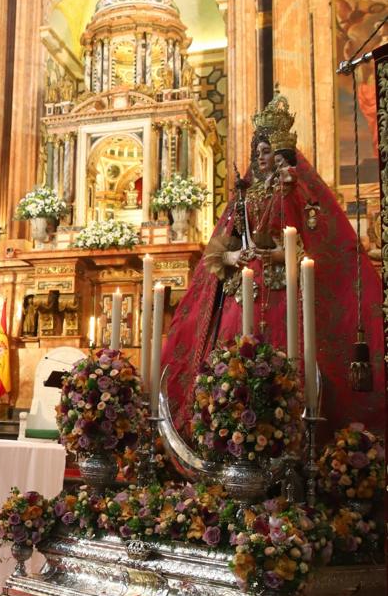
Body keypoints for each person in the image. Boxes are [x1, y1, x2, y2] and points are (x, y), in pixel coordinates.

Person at [162, 90, 385, 436]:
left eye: (268, 152)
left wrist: (279, 253)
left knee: (283, 354)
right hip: (242, 290)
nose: (262, 158)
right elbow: (223, 247)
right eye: (258, 152)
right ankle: (227, 429)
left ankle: (284, 432)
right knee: (232, 359)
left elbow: (303, 243)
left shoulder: (294, 192)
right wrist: (235, 256)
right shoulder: (245, 196)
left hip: (281, 289)